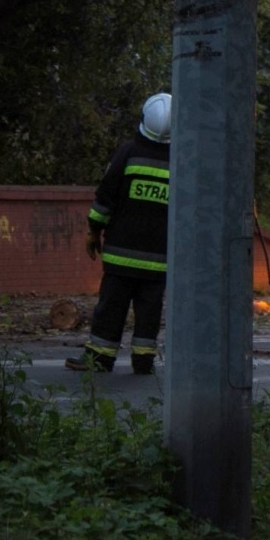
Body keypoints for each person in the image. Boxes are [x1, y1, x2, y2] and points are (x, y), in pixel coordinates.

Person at [66, 92, 172, 374]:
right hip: (159, 260)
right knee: (149, 313)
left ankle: (99, 359)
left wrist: (93, 231)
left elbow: (105, 198)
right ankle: (143, 361)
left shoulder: (128, 153)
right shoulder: (181, 163)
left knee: (111, 309)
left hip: (120, 256)